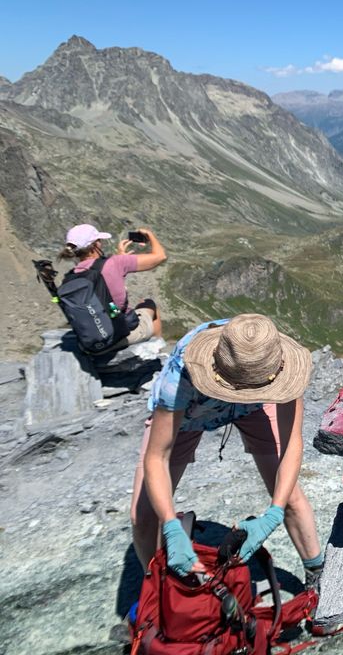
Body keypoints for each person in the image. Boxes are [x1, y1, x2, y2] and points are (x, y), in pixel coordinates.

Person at [130, 313, 324, 590]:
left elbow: (291, 443)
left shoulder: (279, 363)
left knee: (289, 493)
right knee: (143, 517)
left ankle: (317, 574)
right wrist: (171, 525)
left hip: (254, 406)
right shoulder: (182, 371)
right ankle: (156, 589)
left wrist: (275, 513)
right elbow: (156, 457)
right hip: (189, 416)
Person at [58, 223, 166, 345]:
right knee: (148, 304)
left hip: (91, 341)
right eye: (99, 240)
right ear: (95, 245)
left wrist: (119, 258)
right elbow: (160, 256)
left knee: (111, 308)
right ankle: (157, 348)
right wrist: (149, 235)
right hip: (119, 335)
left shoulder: (73, 275)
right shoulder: (115, 263)